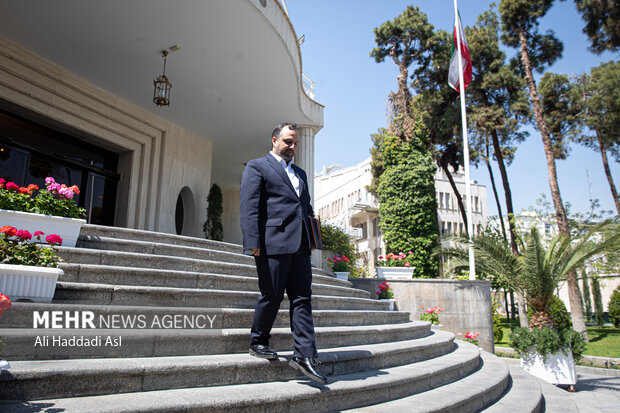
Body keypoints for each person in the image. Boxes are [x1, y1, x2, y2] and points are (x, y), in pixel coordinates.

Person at [239, 122, 327, 384]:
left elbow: (306, 207)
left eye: (296, 143)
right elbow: (249, 206)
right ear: (275, 140)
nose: (292, 147)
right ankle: (258, 340)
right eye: (288, 141)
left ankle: (304, 355)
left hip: (300, 245)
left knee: (302, 298)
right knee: (272, 294)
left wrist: (312, 237)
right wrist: (252, 241)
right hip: (271, 243)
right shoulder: (257, 166)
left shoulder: (300, 172)